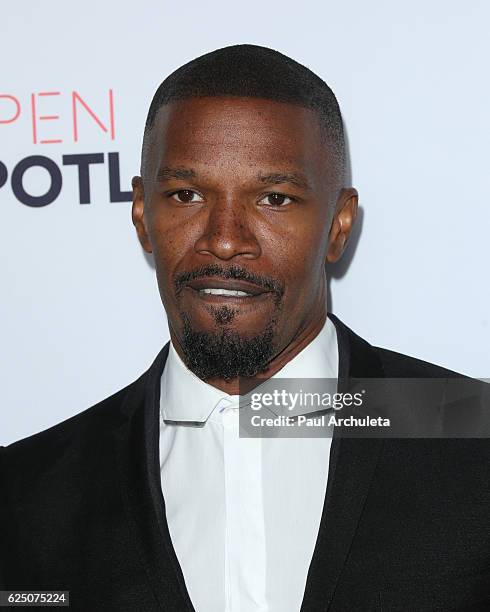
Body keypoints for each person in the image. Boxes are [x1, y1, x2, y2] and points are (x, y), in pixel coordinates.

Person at [1, 44, 489, 612]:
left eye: (274, 198)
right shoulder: (26, 494)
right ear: (141, 214)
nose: (226, 237)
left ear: (339, 224)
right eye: (186, 195)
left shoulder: (472, 440)